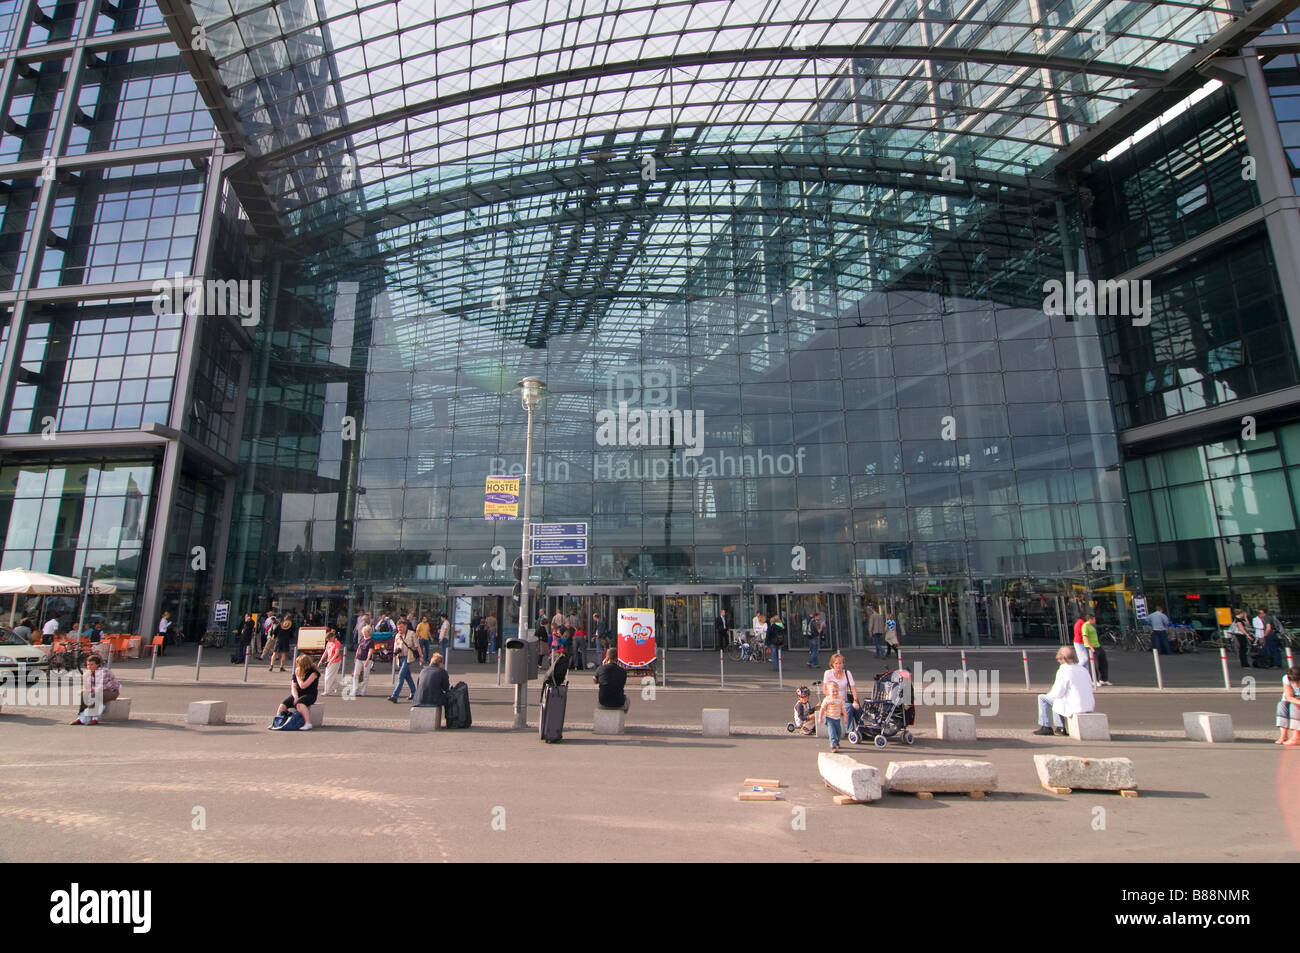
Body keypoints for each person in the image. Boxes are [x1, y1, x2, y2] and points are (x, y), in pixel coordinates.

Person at [1033, 646, 1096, 736]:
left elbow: (1058, 692)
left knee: (1043, 698)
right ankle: (1060, 728)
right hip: (1088, 704)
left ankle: (1046, 726)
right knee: (1058, 700)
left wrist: (1049, 695)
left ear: (1062, 659)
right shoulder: (1083, 669)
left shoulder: (1064, 670)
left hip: (1074, 705)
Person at [270, 654, 319, 731]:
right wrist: (295, 696)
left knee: (299, 704)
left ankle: (308, 723)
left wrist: (298, 676)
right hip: (298, 694)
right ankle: (278, 722)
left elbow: (303, 685)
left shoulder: (313, 673)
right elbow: (293, 686)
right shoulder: (297, 671)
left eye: (299, 664)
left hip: (309, 694)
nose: (297, 666)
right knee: (283, 705)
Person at [72, 654, 120, 725]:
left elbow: (101, 687)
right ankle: (80, 717)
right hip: (96, 691)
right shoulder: (88, 673)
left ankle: (95, 718)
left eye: (92, 664)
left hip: (111, 691)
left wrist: (89, 690)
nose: (89, 667)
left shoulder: (104, 672)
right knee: (84, 695)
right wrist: (84, 679)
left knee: (95, 695)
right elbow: (87, 688)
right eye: (88, 665)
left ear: (97, 665)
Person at [822, 653, 859, 736]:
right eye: (836, 663)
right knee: (849, 707)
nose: (838, 666)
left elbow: (853, 688)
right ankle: (849, 731)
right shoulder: (828, 673)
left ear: (843, 664)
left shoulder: (847, 673)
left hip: (844, 701)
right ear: (832, 664)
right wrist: (833, 698)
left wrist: (855, 700)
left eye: (840, 663)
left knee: (857, 708)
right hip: (833, 702)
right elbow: (824, 690)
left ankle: (862, 729)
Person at [388, 621, 421, 703]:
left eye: (401, 627)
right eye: (398, 628)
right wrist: (395, 653)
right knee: (407, 676)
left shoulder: (412, 634)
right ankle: (414, 693)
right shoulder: (397, 636)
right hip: (400, 658)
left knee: (401, 676)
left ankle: (394, 696)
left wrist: (421, 656)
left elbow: (417, 646)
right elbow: (395, 646)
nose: (400, 629)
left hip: (408, 657)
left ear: (405, 626)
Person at [817, 681, 846, 752]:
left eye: (836, 691)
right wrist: (820, 718)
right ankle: (833, 746)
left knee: (839, 732)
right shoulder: (827, 699)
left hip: (837, 719)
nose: (835, 693)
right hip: (830, 719)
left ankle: (836, 742)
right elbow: (822, 709)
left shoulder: (840, 699)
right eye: (833, 691)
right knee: (832, 732)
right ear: (828, 692)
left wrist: (845, 717)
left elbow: (843, 709)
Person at [1082, 612, 1109, 686]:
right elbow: (1085, 637)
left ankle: (1104, 679)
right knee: (1095, 664)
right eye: (1094, 619)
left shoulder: (1092, 626)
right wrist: (1090, 647)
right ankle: (1094, 680)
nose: (1095, 620)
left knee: (1103, 662)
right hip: (1092, 647)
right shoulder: (1085, 626)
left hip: (1097, 646)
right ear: (1090, 619)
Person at [1275, 666, 1300, 745]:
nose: (1296, 684)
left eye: (1298, 682)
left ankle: (1296, 736)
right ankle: (1283, 735)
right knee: (1281, 705)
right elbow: (1288, 697)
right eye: (1293, 682)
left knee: (1294, 706)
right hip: (1294, 700)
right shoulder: (1286, 679)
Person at [320, 630, 343, 695]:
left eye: (329, 639)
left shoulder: (337, 643)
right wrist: (321, 660)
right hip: (329, 660)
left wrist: (331, 661)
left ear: (333, 637)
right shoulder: (328, 643)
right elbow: (326, 652)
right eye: (328, 640)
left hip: (335, 661)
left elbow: (336, 653)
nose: (328, 641)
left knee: (328, 677)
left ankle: (327, 691)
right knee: (331, 676)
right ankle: (338, 688)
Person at [353, 624, 374, 696]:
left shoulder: (371, 641)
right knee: (356, 674)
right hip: (359, 658)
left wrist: (368, 660)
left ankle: (363, 691)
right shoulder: (362, 638)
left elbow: (370, 651)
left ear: (369, 632)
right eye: (363, 632)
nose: (364, 633)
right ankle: (355, 689)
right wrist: (356, 655)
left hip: (366, 659)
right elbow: (359, 647)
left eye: (365, 632)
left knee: (365, 675)